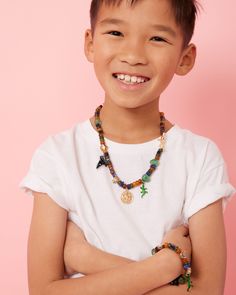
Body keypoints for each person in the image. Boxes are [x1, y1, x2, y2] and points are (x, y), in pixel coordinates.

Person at [19, 0, 236, 294]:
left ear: (185, 58)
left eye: (157, 38)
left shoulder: (199, 157)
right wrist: (165, 266)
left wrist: (85, 258)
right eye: (116, 33)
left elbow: (207, 291)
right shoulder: (57, 156)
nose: (133, 55)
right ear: (90, 43)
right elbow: (43, 291)